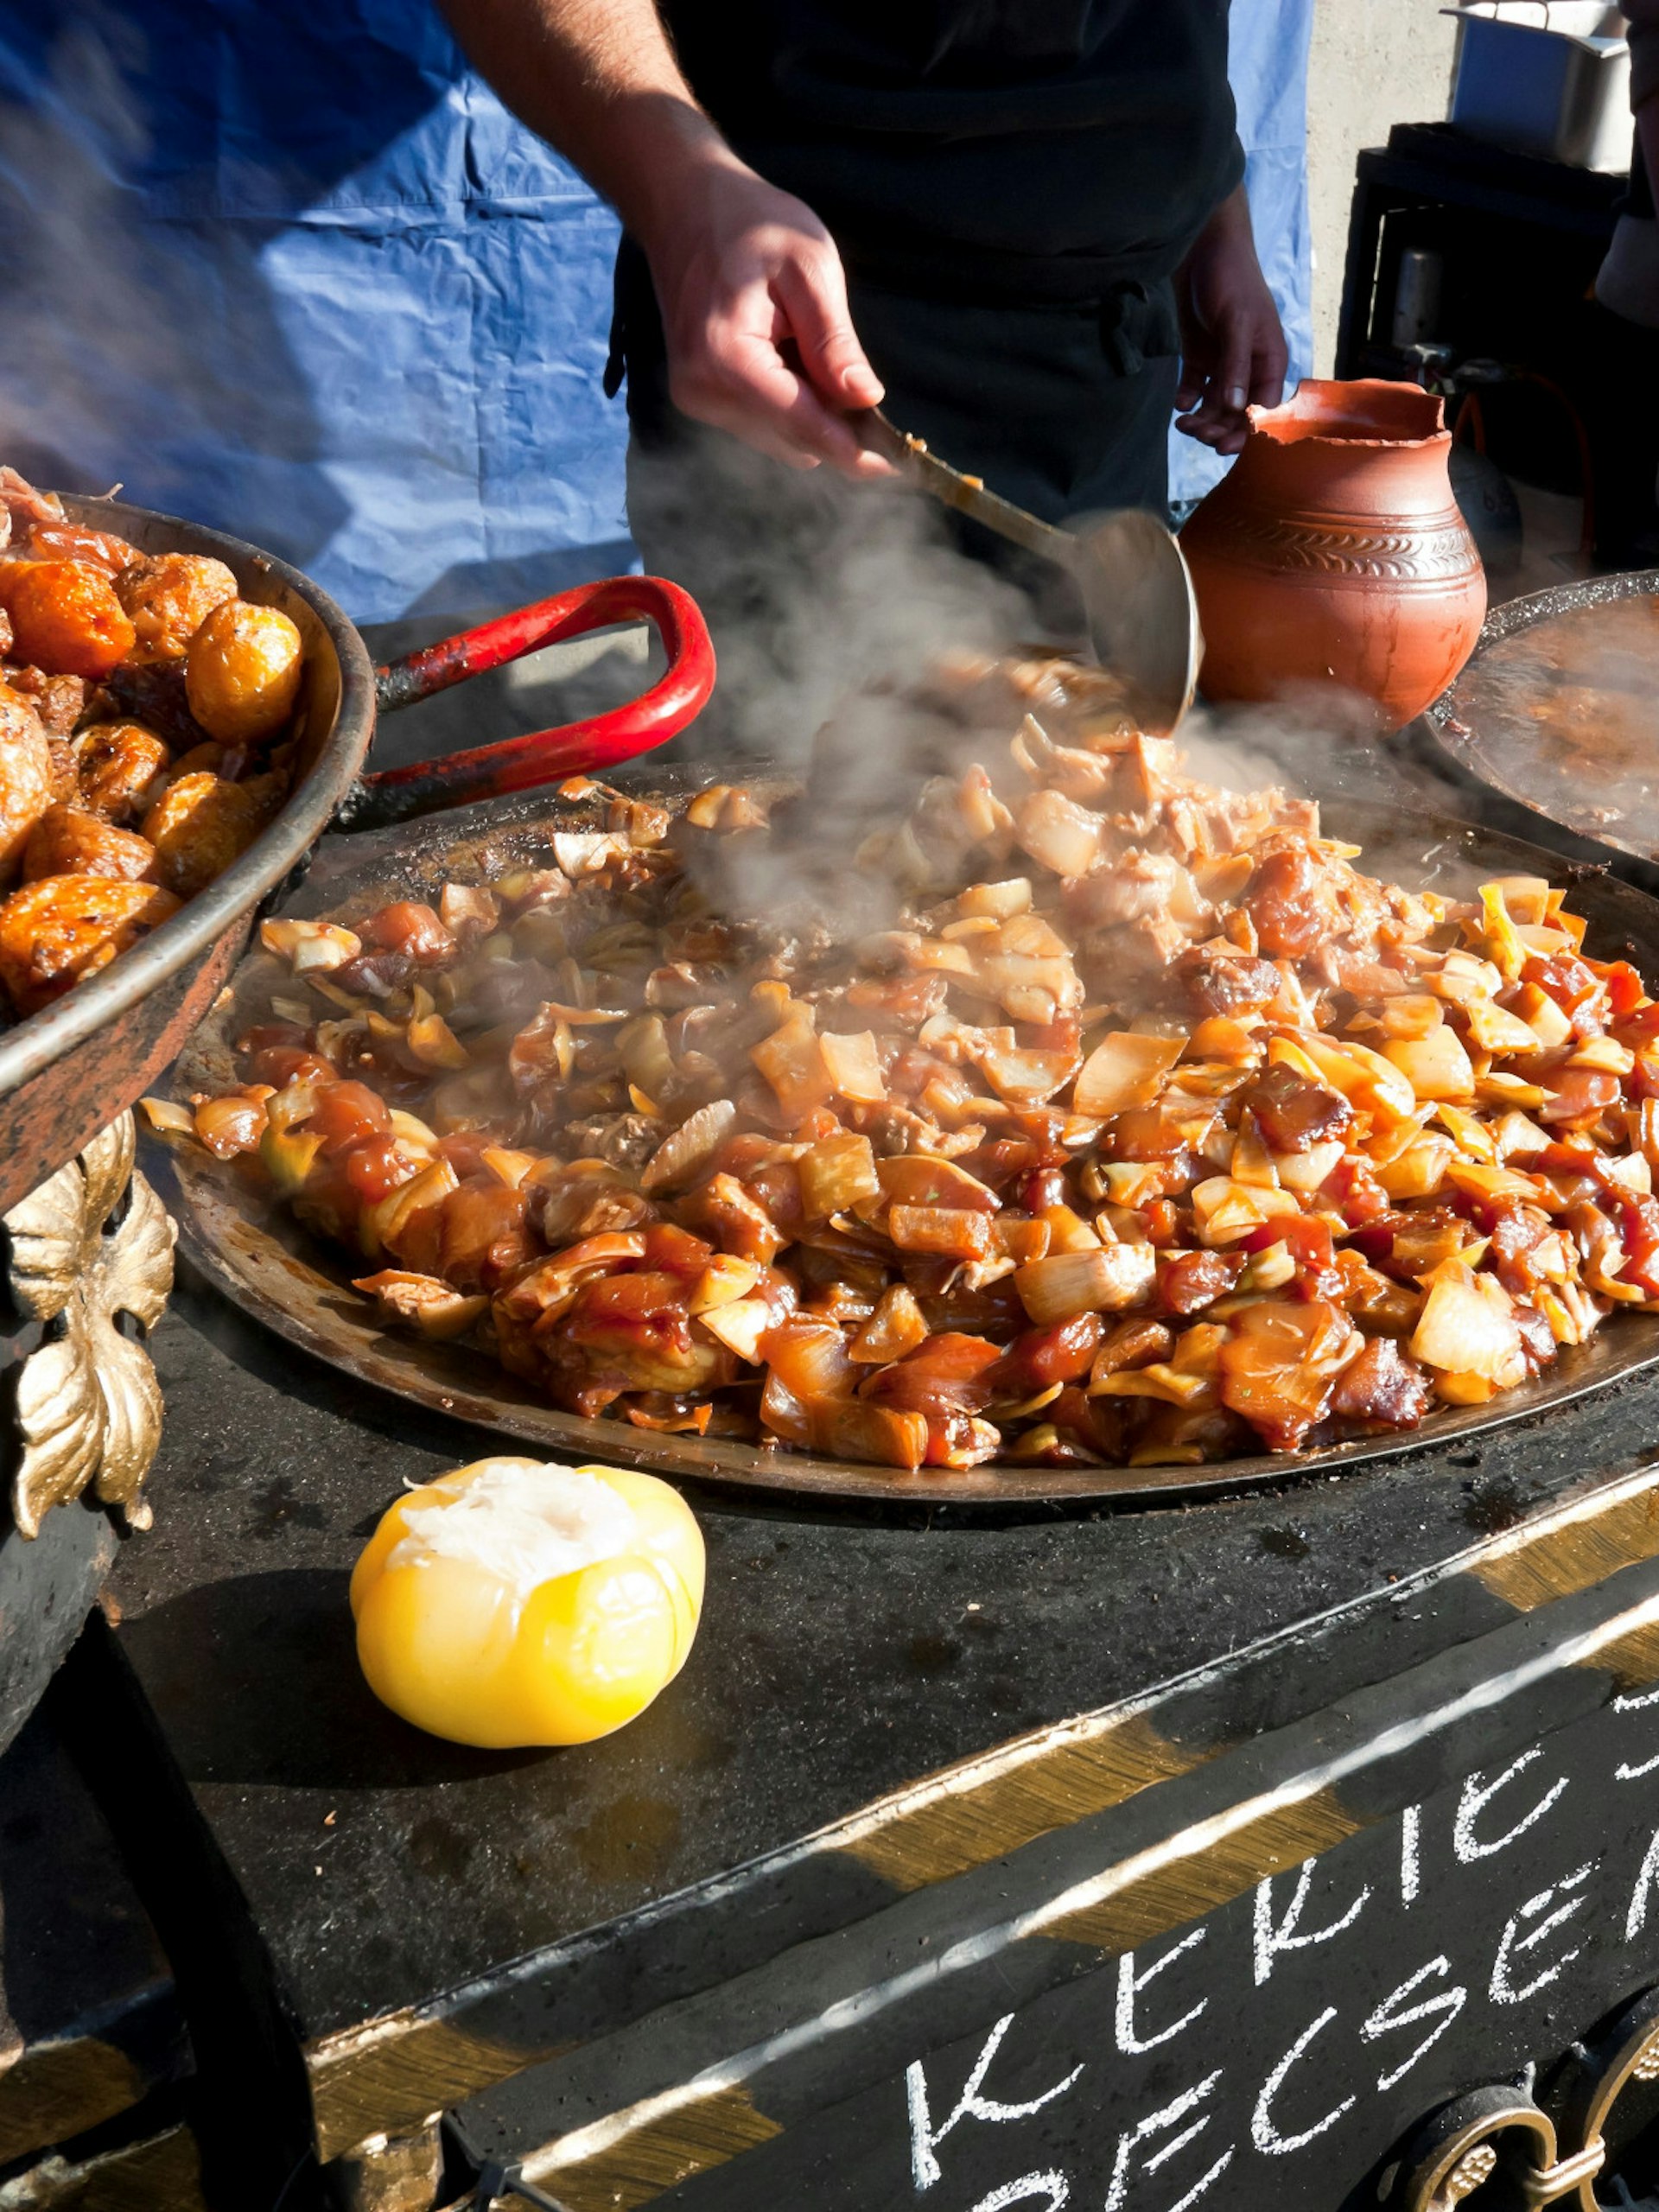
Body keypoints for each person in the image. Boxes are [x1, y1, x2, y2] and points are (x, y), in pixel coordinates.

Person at [441, 0, 1290, 704]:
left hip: (1103, 360)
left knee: (1090, 755)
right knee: (780, 789)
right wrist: (681, 188)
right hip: (795, 329)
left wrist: (1218, 204)